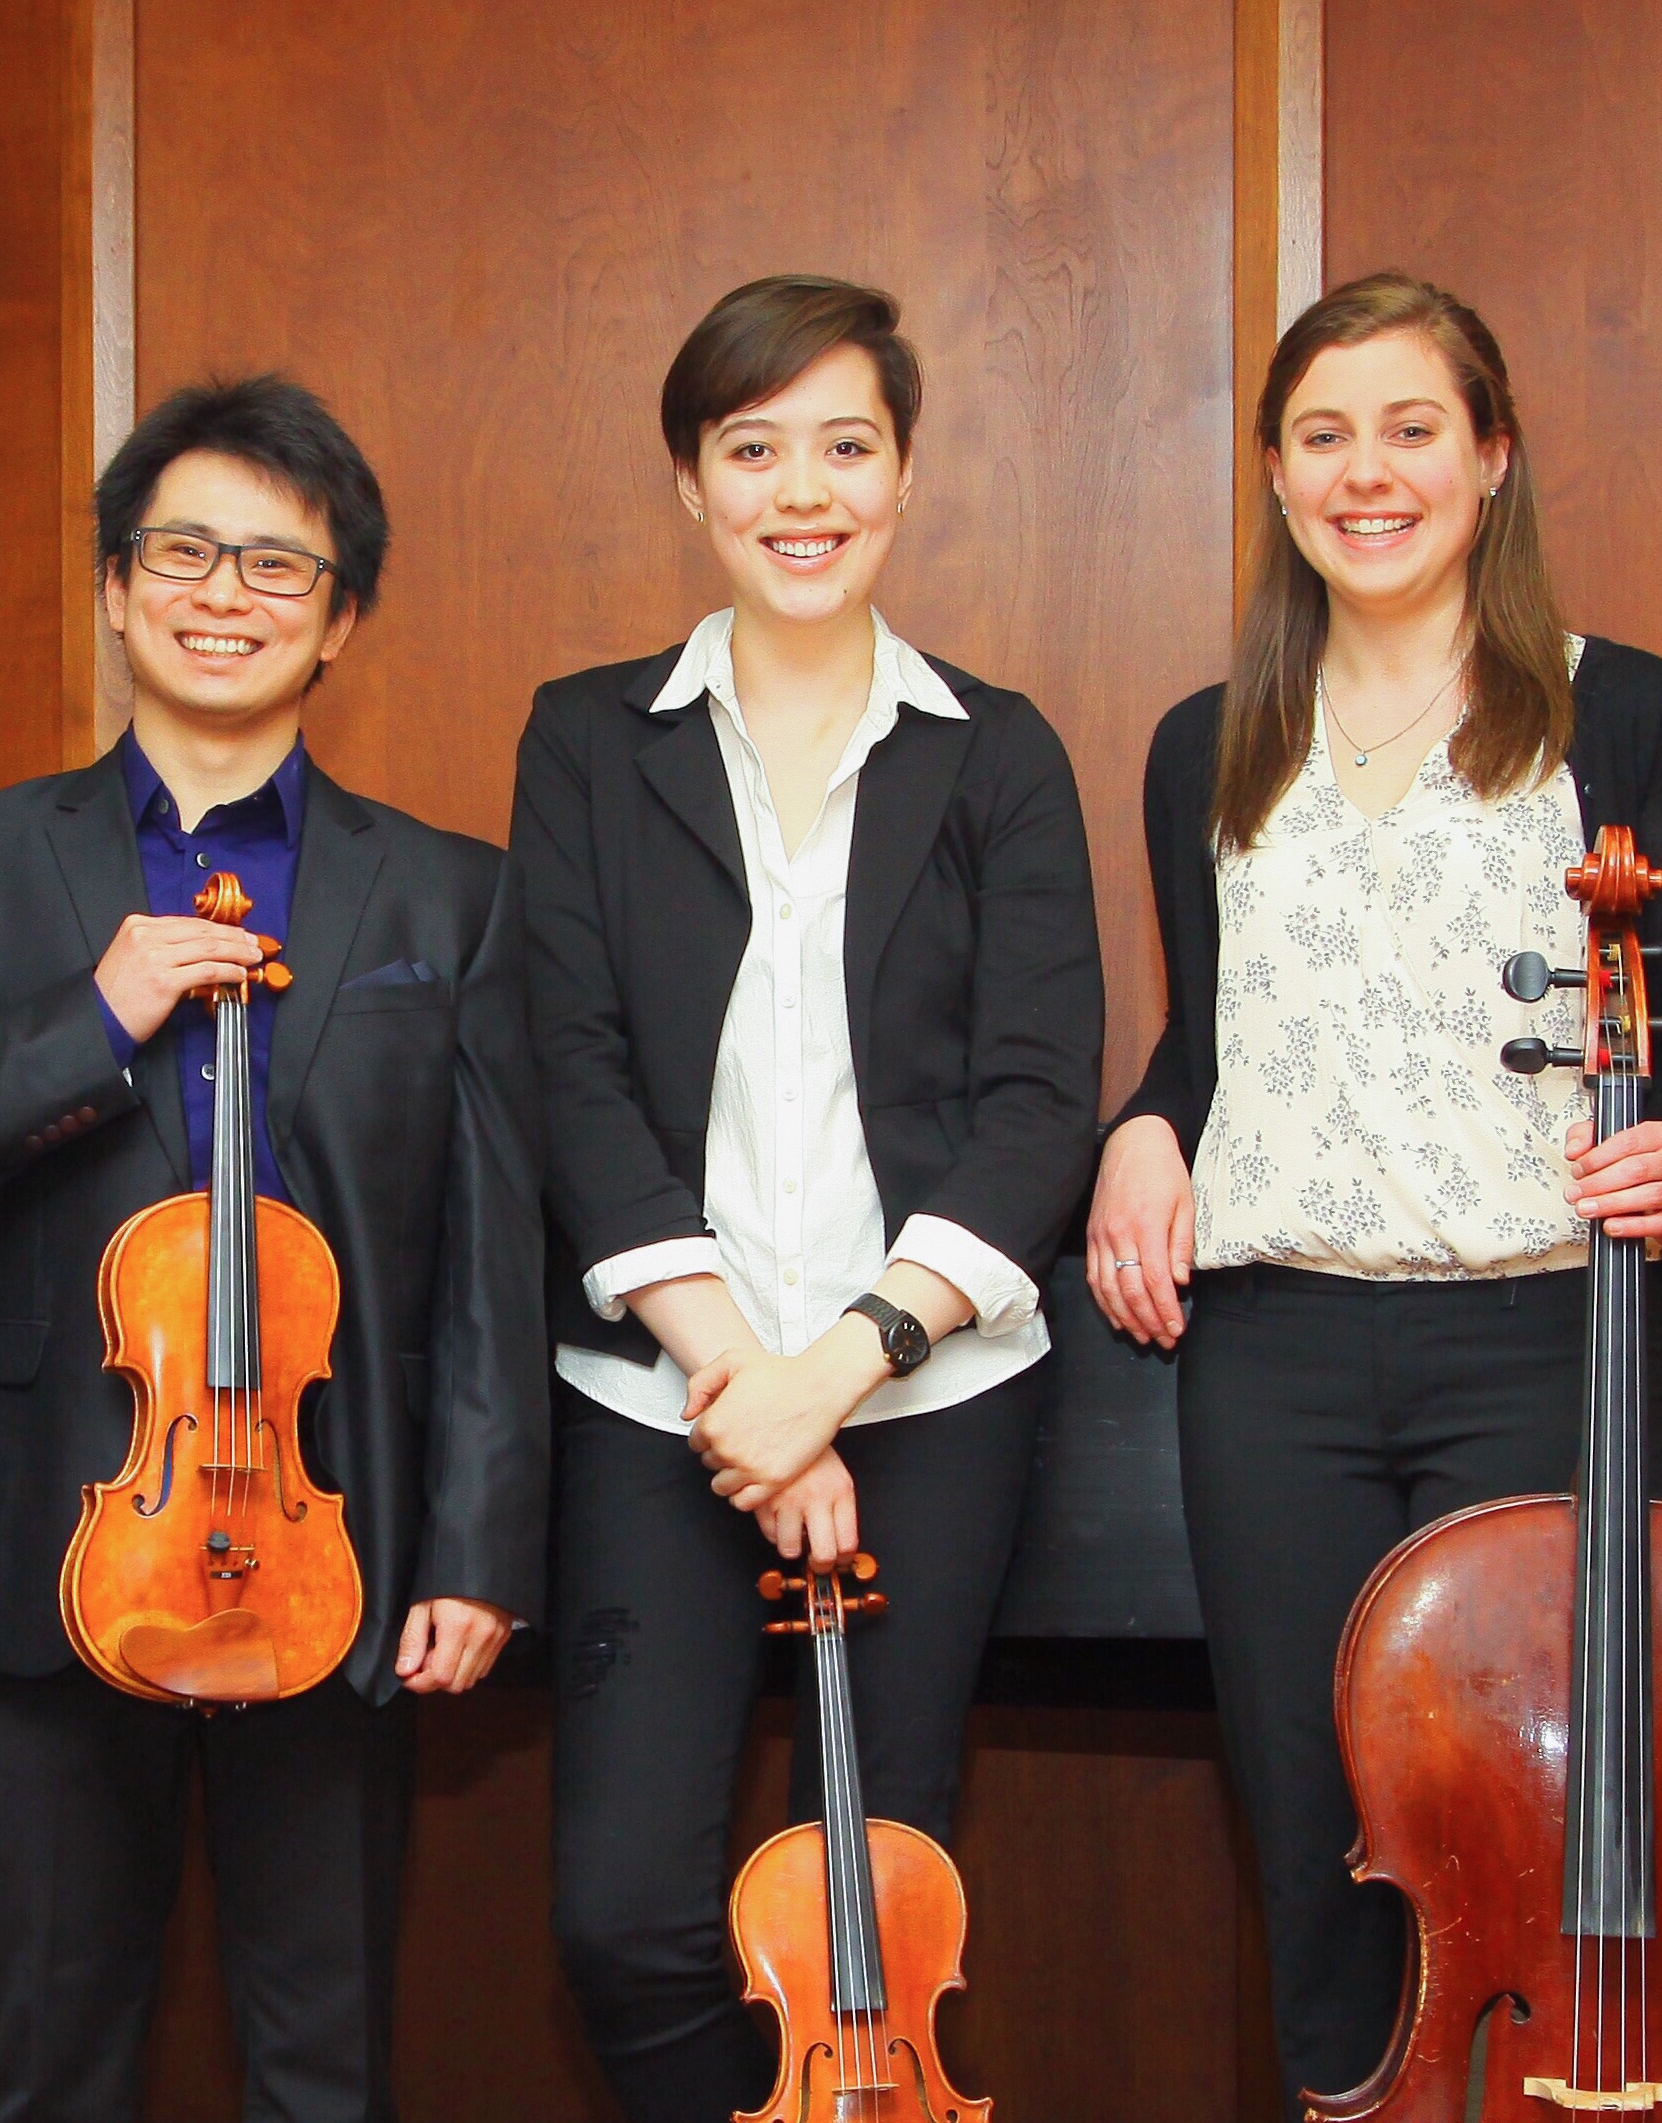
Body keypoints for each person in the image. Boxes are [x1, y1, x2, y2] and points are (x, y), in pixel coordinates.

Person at [0, 374, 547, 2123]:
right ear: (116, 588)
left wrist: (474, 1546)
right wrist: (92, 1017)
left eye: (277, 567)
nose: (225, 595)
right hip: (60, 1531)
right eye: (183, 553)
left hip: (337, 1532)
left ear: (339, 621)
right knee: (52, 2060)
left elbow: (488, 1256)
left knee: (322, 2061)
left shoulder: (448, 893)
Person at [1086, 269, 1662, 2116]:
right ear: (1274, 473)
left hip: (1539, 1340)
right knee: (1318, 1835)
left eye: (1409, 430)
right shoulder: (1204, 741)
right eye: (1322, 436)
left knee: (1523, 1830)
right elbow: (1212, 1042)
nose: (1363, 473)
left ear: (1490, 459)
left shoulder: (1622, 712)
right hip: (1272, 1364)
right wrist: (1141, 1126)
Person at [511, 274, 1104, 2123]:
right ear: (690, 483)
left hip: (928, 1403)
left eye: (844, 447)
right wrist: (737, 1386)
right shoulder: (588, 739)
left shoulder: (997, 751)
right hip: (657, 1404)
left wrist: (834, 1372)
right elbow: (571, 1072)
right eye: (752, 448)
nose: (801, 491)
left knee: (874, 1924)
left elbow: (1037, 1103)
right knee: (621, 1916)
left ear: (903, 474)